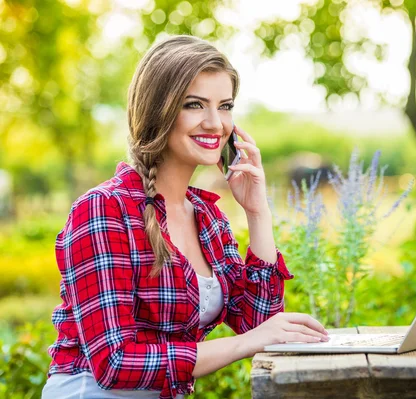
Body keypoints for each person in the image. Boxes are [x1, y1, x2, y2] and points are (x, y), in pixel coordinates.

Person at [41, 35, 329, 399]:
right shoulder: (103, 209)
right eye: (195, 105)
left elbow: (257, 321)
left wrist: (258, 213)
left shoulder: (207, 215)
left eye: (225, 106)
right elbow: (115, 362)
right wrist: (249, 341)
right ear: (157, 111)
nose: (214, 123)